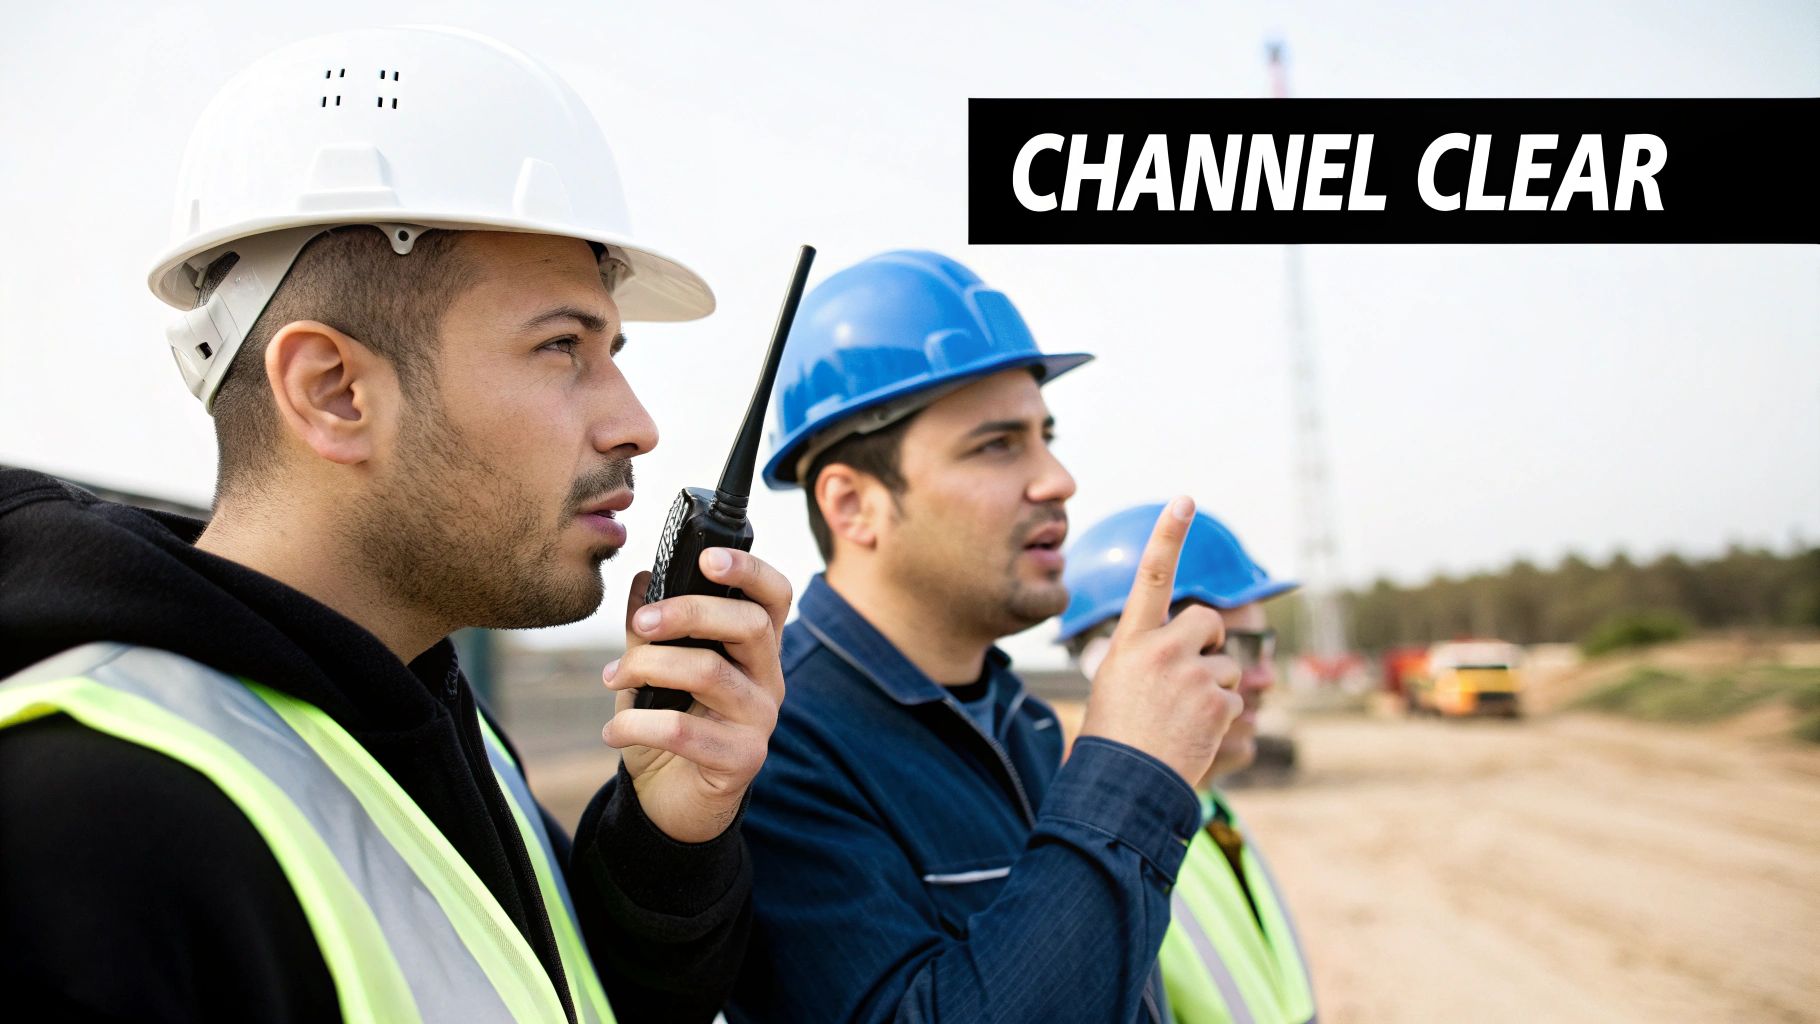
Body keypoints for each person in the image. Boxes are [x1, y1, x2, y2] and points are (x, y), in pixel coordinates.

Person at [0, 26, 789, 1024]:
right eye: (561, 347)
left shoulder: (425, 716)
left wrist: (667, 842)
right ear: (332, 391)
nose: (634, 423)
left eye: (612, 348)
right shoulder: (85, 821)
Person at [726, 250, 1244, 1023]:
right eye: (998, 445)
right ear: (852, 505)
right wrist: (1128, 775)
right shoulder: (776, 746)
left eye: (1045, 435)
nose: (1056, 478)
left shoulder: (1019, 718)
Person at [1060, 504, 1317, 1024]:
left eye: (1265, 646)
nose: (1265, 678)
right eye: (1237, 650)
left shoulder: (1213, 813)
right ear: (1113, 664)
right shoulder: (1086, 863)